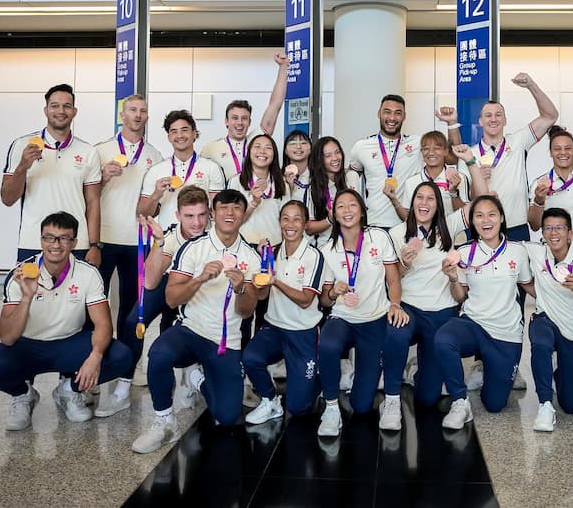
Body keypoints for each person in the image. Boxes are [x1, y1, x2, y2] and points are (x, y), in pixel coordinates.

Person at [132, 189, 263, 453]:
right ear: (214, 213)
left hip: (226, 341)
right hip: (191, 331)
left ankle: (198, 380)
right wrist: (200, 279)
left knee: (227, 418)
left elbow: (247, 312)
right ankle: (164, 421)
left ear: (243, 215)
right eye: (223, 208)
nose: (230, 213)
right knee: (159, 352)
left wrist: (241, 289)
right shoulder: (193, 247)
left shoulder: (251, 257)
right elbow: (170, 299)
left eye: (236, 208)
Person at [0, 212, 131, 430]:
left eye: (64, 238)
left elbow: (103, 324)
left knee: (120, 356)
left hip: (69, 343)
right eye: (49, 237)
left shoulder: (88, 273)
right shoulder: (21, 274)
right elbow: (7, 337)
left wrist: (95, 357)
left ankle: (69, 391)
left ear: (74, 242)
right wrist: (27, 297)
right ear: (41, 240)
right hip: (28, 345)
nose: (56, 244)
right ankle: (24, 395)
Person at [96, 186, 211, 417]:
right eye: (189, 216)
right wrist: (158, 243)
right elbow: (149, 282)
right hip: (167, 281)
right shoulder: (169, 235)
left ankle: (190, 374)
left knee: (175, 330)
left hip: (197, 287)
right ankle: (123, 385)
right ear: (178, 216)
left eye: (201, 215)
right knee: (132, 323)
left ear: (209, 214)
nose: (196, 223)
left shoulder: (214, 236)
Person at [317, 190, 408, 436]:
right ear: (334, 215)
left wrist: (395, 304)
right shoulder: (327, 250)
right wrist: (334, 292)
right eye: (340, 207)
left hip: (375, 319)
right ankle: (332, 407)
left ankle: (363, 381)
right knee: (327, 345)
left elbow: (394, 279)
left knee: (361, 405)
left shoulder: (378, 237)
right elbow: (325, 300)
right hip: (343, 317)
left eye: (352, 205)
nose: (347, 210)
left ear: (361, 210)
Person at [436, 196, 533, 429]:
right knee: (443, 339)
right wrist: (452, 278)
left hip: (506, 334)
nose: (486, 220)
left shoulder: (518, 252)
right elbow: (460, 296)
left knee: (495, 404)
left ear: (501, 218)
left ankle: (490, 367)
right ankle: (460, 402)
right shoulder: (465, 252)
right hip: (474, 323)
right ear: (472, 222)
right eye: (479, 215)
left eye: (491, 214)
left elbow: (529, 285)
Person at [443, 73, 559, 242]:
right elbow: (467, 200)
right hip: (481, 230)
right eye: (488, 116)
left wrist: (531, 86)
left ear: (505, 120)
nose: (493, 119)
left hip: (516, 228)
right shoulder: (469, 155)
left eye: (498, 115)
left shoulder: (518, 141)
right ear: (480, 121)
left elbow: (550, 116)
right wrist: (479, 180)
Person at [382, 181, 460, 430]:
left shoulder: (448, 233)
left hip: (441, 312)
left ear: (438, 205)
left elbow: (477, 210)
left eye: (430, 199)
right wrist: (404, 264)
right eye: (419, 198)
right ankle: (392, 398)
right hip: (410, 308)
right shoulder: (396, 233)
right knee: (395, 331)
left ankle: (418, 370)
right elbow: (391, 280)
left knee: (427, 398)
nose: (424, 203)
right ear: (412, 201)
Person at [522, 208, 573, 432]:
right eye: (548, 228)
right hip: (545, 319)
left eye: (559, 228)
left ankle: (565, 374)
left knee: (571, 405)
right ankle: (545, 405)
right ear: (542, 233)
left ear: (569, 232)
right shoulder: (536, 252)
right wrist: (533, 290)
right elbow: (507, 251)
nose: (553, 233)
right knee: (539, 342)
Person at [243, 200, 325, 425]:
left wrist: (275, 281)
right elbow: (262, 294)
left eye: (296, 219)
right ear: (279, 222)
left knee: (298, 407)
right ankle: (270, 401)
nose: (290, 224)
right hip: (275, 328)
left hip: (302, 332)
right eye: (285, 218)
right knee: (250, 357)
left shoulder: (314, 256)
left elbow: (306, 300)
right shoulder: (274, 252)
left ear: (305, 224)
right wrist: (262, 268)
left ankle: (319, 379)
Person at [1, 83, 102, 264]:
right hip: (33, 242)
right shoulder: (22, 145)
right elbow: (7, 198)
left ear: (74, 111)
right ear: (46, 110)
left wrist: (94, 245)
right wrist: (23, 166)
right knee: (29, 292)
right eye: (55, 105)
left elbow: (93, 202)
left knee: (76, 293)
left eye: (67, 106)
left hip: (75, 244)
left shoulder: (88, 151)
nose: (60, 111)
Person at [95, 94, 164, 341]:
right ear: (121, 115)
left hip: (138, 240)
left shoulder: (155, 156)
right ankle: (95, 355)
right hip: (104, 236)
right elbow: (86, 195)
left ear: (147, 117)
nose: (137, 115)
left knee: (132, 305)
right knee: (95, 300)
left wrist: (156, 195)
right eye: (132, 110)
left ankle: (126, 364)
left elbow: (156, 208)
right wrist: (103, 177)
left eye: (142, 111)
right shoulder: (101, 150)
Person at [200, 53, 289, 181]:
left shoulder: (258, 139)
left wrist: (283, 67)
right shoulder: (211, 149)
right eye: (235, 118)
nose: (240, 123)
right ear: (226, 121)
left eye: (244, 118)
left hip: (259, 198)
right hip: (228, 200)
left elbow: (275, 104)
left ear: (249, 121)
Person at [138, 110, 225, 230]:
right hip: (168, 240)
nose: (180, 135)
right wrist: (156, 194)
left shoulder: (211, 167)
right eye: (174, 131)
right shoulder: (156, 171)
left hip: (201, 241)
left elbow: (219, 211)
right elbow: (142, 215)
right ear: (169, 137)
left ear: (194, 133)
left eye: (184, 130)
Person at [348, 94, 423, 229]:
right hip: (373, 225)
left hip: (407, 225)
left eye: (398, 113)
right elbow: (352, 175)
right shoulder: (361, 147)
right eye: (387, 112)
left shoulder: (418, 144)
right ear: (379, 114)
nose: (392, 118)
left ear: (404, 116)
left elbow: (451, 156)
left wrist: (451, 124)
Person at [528, 126, 573, 249]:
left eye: (568, 148)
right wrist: (539, 200)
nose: (563, 152)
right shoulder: (539, 184)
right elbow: (534, 225)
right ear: (551, 153)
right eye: (557, 149)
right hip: (552, 252)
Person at [391, 130, 470, 220]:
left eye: (436, 148)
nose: (431, 153)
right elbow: (408, 219)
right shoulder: (411, 182)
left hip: (451, 232)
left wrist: (453, 192)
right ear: (421, 152)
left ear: (446, 151)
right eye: (426, 149)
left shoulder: (458, 178)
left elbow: (464, 216)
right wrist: (394, 200)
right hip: (423, 233)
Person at [306, 136, 361, 243]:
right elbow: (309, 228)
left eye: (337, 152)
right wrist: (329, 219)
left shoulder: (351, 177)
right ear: (319, 160)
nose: (335, 158)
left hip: (353, 242)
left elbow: (361, 211)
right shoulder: (313, 187)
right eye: (328, 155)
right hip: (327, 244)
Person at [282, 129, 313, 203]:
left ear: (310, 149)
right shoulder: (278, 178)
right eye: (293, 143)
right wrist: (289, 188)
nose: (298, 146)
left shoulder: (318, 177)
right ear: (285, 150)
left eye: (303, 143)